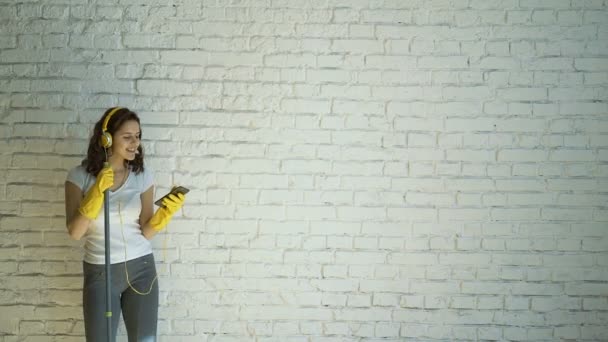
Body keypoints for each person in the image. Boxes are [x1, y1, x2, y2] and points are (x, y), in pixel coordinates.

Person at [64, 107, 185, 341]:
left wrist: (165, 213)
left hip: (142, 269)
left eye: (138, 136)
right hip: (101, 271)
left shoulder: (142, 175)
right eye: (127, 137)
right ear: (106, 138)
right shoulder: (79, 176)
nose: (135, 143)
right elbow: (75, 232)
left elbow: (146, 230)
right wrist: (97, 192)